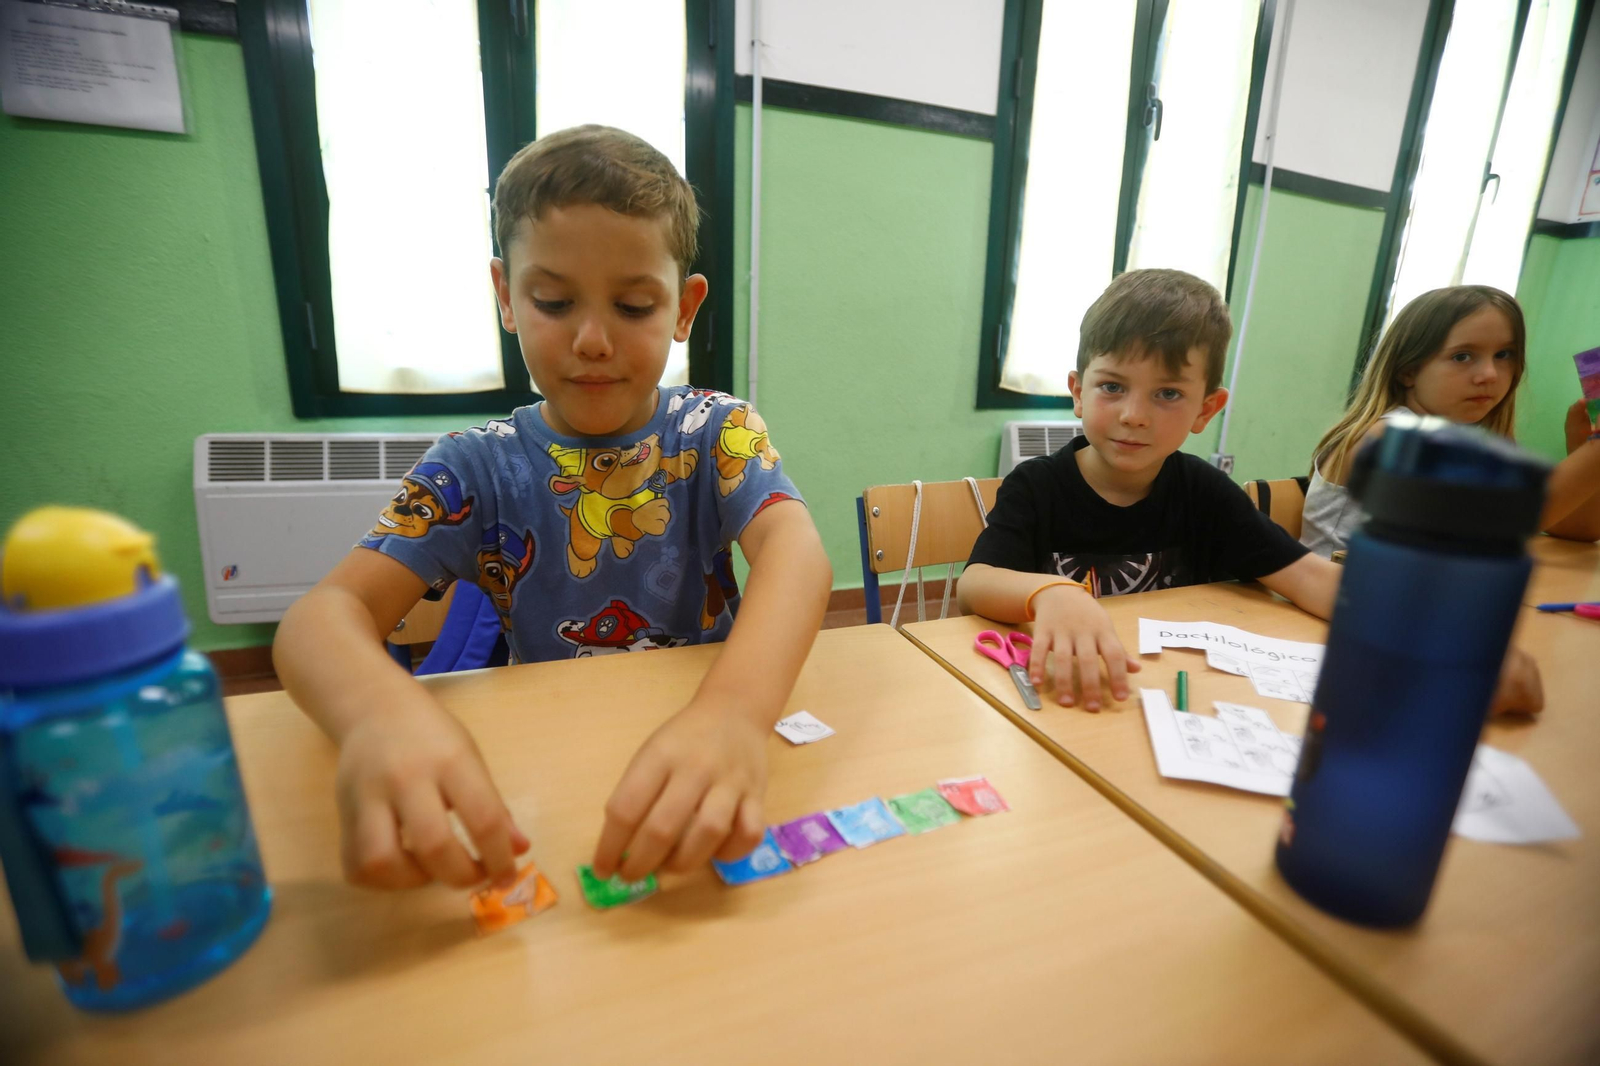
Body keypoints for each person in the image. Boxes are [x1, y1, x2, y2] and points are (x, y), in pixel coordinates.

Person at [273, 125, 832, 893]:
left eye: (635, 305)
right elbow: (322, 616)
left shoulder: (716, 430)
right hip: (556, 772)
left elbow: (798, 557)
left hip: (706, 748)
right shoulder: (474, 464)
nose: (593, 339)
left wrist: (735, 714)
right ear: (506, 295)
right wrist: (378, 714)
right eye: (554, 300)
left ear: (684, 307)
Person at [956, 269, 1542, 717]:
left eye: (1167, 394)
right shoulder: (1038, 484)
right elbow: (975, 582)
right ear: (1077, 393)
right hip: (1048, 703)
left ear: (1207, 409)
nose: (1134, 415)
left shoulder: (1204, 492)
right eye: (1113, 387)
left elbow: (1312, 579)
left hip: (1159, 707)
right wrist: (1055, 595)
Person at [1302, 285, 1600, 557]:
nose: (1490, 374)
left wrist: (1581, 444)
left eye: (1503, 354)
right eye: (1462, 357)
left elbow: (1578, 532)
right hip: (1336, 604)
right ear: (1408, 371)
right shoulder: (1389, 435)